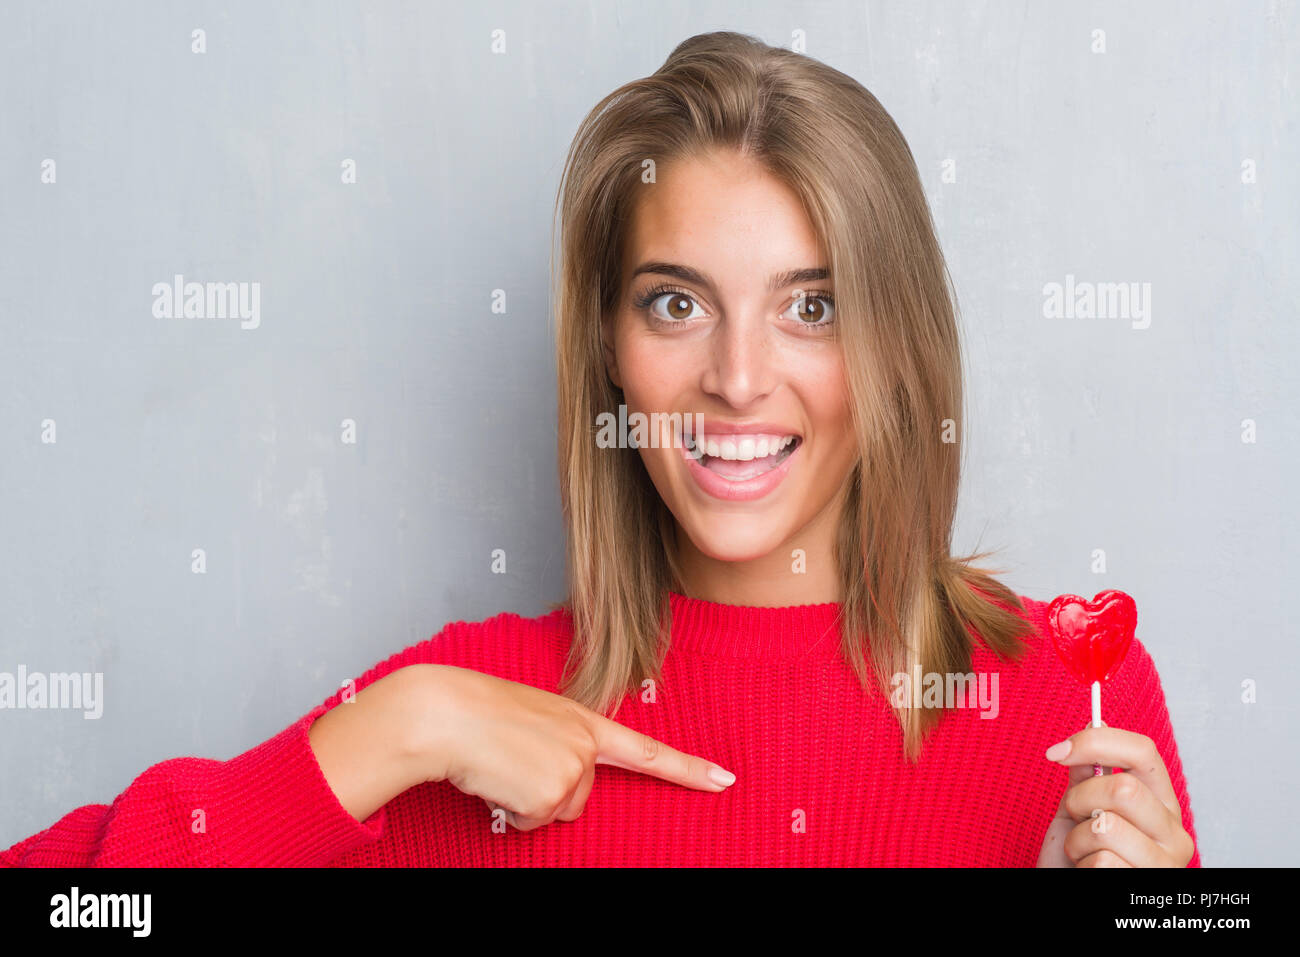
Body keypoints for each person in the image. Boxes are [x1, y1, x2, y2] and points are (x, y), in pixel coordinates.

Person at [2, 31, 1198, 867]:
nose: (735, 378)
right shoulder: (472, 721)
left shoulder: (1071, 704)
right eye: (676, 304)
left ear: (898, 349)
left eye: (810, 307)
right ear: (609, 350)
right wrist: (389, 734)